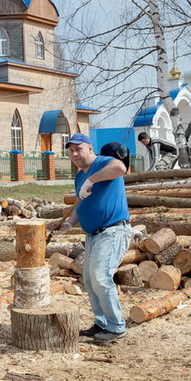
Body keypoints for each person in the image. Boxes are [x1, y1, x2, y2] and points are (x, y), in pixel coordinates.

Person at [62, 133, 132, 342]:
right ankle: (101, 323)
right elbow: (80, 204)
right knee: (91, 281)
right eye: (71, 150)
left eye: (79, 149)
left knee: (101, 277)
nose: (75, 153)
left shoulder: (102, 163)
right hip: (93, 235)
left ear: (90, 149)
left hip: (112, 230)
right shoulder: (79, 176)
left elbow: (121, 168)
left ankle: (116, 327)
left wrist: (92, 179)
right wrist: (68, 223)